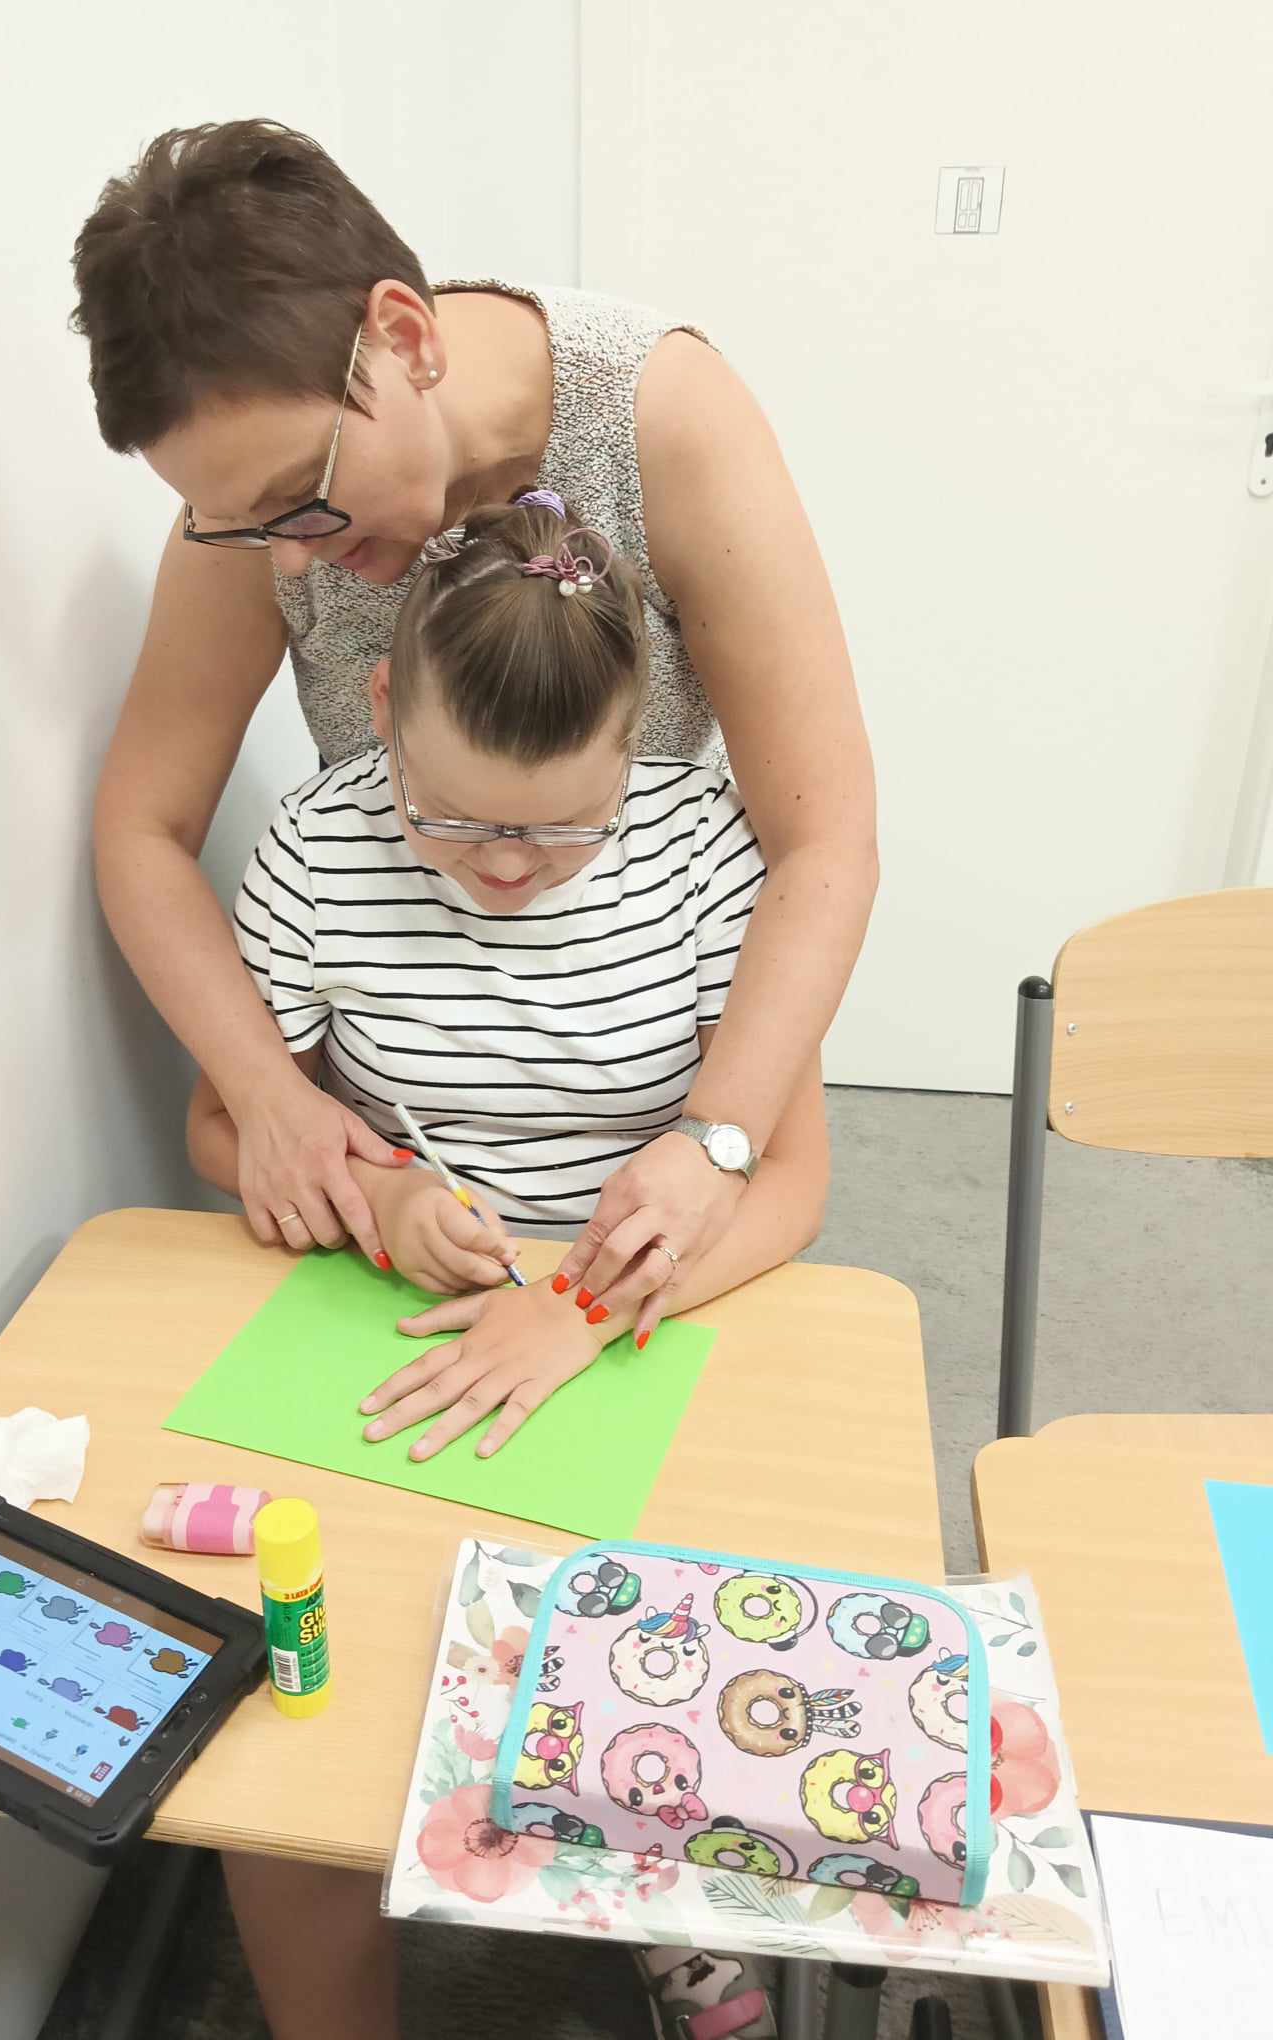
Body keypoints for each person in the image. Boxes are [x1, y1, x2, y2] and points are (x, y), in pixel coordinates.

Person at [70, 118, 877, 1345]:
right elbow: (143, 825)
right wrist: (267, 1096)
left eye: (298, 501)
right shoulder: (261, 505)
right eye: (234, 524)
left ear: (404, 339)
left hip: (639, 1001)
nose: (288, 561)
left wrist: (715, 1144)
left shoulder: (663, 417)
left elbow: (825, 842)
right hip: (408, 1007)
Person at [184, 495, 821, 2040]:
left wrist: (579, 1307)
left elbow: (791, 1183)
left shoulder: (699, 855)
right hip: (393, 1321)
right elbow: (221, 1123)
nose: (510, 871)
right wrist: (375, 1192)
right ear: (383, 712)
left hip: (639, 1317)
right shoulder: (320, 848)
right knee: (317, 1687)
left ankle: (650, 1886)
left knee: (664, 1658)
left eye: (561, 828)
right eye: (458, 822)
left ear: (632, 747)